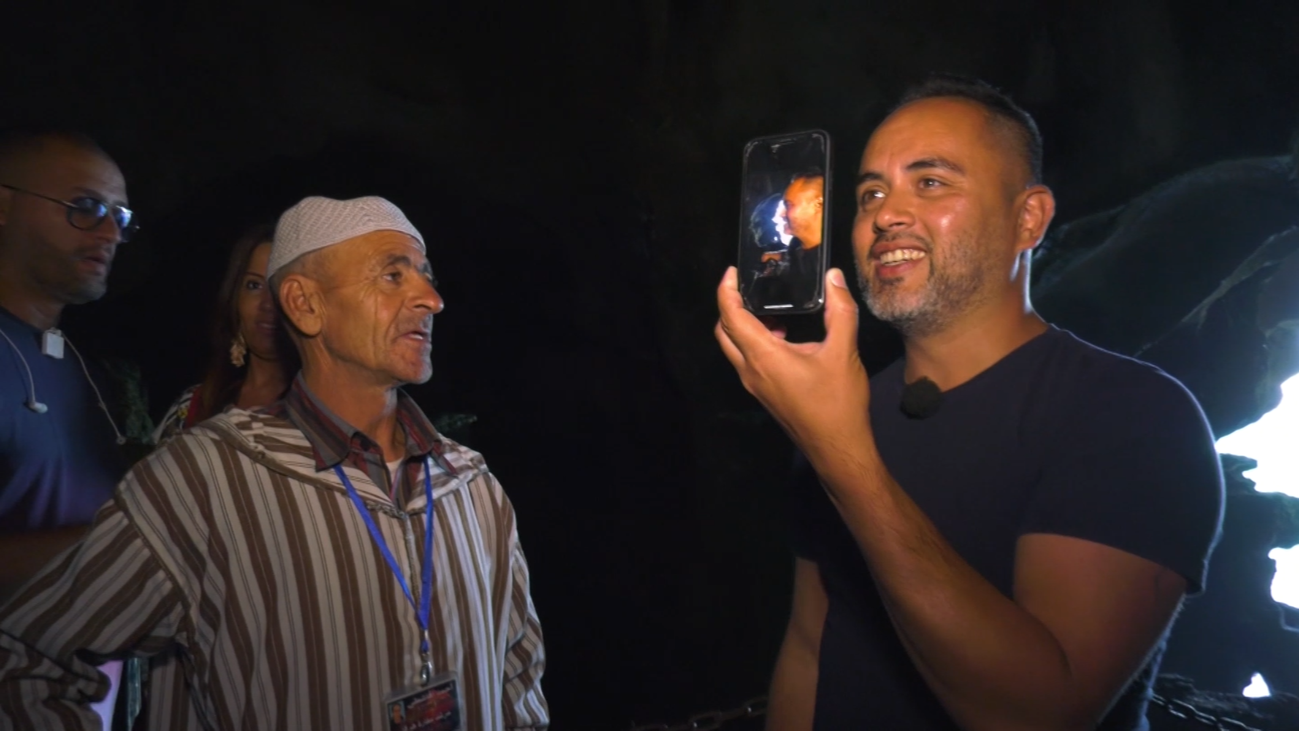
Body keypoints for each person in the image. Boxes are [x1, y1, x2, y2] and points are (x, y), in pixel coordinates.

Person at [715, 75, 1224, 730]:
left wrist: (841, 453)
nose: (884, 214)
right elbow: (812, 647)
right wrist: (829, 437)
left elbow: (1039, 713)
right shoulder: (838, 408)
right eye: (871, 191)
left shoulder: (1132, 415)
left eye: (929, 182)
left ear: (1028, 218)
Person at [0, 195, 549, 730]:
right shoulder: (205, 479)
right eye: (393, 275)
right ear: (306, 304)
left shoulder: (470, 483)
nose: (431, 298)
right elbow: (34, 657)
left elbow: (519, 676)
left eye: (427, 274)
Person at [0, 127, 140, 728]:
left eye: (119, 215)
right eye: (85, 208)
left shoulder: (81, 370)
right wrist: (138, 544)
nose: (110, 233)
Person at [152, 223, 296, 443]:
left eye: (280, 286)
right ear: (234, 297)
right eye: (254, 285)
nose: (268, 304)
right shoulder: (196, 404)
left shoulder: (327, 411)